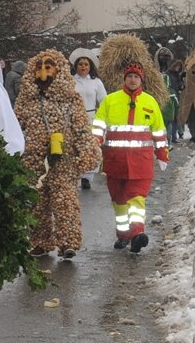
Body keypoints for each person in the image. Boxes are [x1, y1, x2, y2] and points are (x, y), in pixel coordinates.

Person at [13, 49, 101, 259]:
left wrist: (88, 151)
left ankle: (68, 242)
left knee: (66, 201)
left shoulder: (71, 100)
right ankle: (40, 242)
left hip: (64, 159)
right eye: (39, 68)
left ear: (58, 70)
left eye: (48, 67)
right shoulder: (26, 101)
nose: (43, 72)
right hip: (33, 160)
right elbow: (16, 126)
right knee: (36, 202)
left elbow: (81, 127)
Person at [92, 62, 169, 253]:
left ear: (141, 80)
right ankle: (123, 235)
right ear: (124, 79)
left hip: (141, 164)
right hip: (115, 162)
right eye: (129, 77)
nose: (132, 80)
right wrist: (94, 142)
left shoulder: (150, 102)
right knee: (119, 201)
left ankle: (137, 234)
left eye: (136, 77)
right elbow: (98, 125)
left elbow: (158, 131)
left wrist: (162, 154)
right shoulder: (110, 101)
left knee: (136, 199)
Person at [69, 48, 106, 189]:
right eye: (80, 64)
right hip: (74, 118)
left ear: (90, 66)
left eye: (86, 64)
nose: (83, 67)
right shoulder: (71, 81)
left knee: (91, 148)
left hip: (91, 118)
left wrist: (102, 118)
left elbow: (103, 100)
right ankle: (73, 174)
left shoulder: (96, 82)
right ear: (75, 66)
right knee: (74, 147)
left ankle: (87, 176)